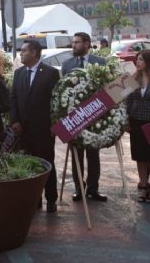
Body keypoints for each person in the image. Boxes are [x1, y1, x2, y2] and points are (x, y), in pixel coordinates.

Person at [10, 40, 61, 212]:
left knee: (47, 164)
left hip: (43, 130)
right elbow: (13, 99)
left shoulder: (50, 73)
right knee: (28, 164)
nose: (20, 54)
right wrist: (14, 120)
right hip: (23, 130)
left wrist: (55, 124)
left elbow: (56, 102)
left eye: (23, 51)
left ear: (34, 53)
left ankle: (51, 199)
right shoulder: (18, 73)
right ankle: (34, 198)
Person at [61, 32, 108, 202]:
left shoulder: (100, 62)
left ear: (87, 44)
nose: (73, 45)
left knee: (93, 154)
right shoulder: (67, 65)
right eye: (73, 42)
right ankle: (79, 188)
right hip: (75, 118)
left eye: (77, 42)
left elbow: (106, 88)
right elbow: (62, 91)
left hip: (95, 116)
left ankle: (93, 189)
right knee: (76, 154)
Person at [125, 50, 150, 203]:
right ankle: (143, 185)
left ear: (148, 61)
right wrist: (126, 120)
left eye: (140, 59)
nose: (137, 62)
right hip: (135, 122)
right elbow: (127, 100)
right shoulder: (133, 79)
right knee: (140, 156)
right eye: (137, 59)